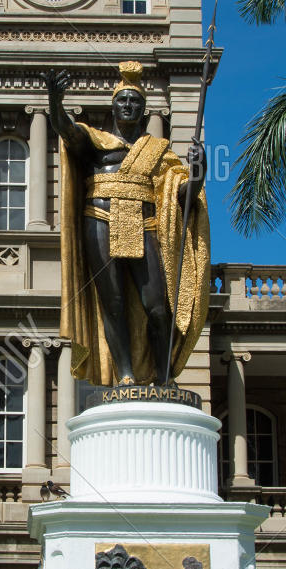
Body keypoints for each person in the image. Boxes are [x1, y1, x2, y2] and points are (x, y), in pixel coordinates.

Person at [45, 60, 210, 385]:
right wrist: (54, 100)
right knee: (114, 303)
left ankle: (163, 378)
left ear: (144, 109)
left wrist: (199, 174)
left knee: (158, 308)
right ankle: (125, 376)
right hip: (100, 220)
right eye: (123, 100)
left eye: (135, 101)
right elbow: (66, 129)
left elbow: (182, 196)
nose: (129, 106)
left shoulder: (158, 151)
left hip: (145, 224)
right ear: (114, 107)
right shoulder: (96, 141)